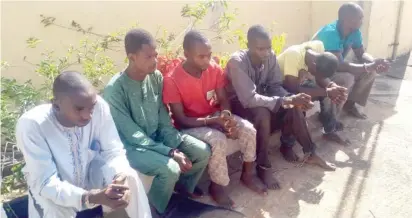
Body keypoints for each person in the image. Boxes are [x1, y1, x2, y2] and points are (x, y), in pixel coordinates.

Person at [103, 29, 211, 216]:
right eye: (148, 56)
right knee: (169, 168)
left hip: (158, 136)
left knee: (202, 152)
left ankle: (182, 190)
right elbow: (132, 135)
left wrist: (175, 144)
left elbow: (163, 117)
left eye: (156, 55)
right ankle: (155, 209)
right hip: (132, 147)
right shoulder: (115, 90)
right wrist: (170, 152)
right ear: (132, 57)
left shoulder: (155, 77)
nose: (154, 60)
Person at [15, 71, 151, 218]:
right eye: (79, 109)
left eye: (91, 107)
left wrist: (119, 178)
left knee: (129, 177)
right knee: (55, 210)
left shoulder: (99, 106)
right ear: (56, 105)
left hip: (88, 177)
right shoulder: (33, 125)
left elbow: (113, 151)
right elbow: (46, 182)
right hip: (51, 190)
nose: (88, 115)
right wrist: (89, 197)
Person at [163, 30, 266, 208]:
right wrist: (213, 123)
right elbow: (180, 119)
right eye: (201, 56)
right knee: (218, 140)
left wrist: (226, 117)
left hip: (214, 116)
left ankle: (248, 175)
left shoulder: (213, 68)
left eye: (209, 55)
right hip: (191, 124)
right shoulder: (172, 80)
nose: (206, 60)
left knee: (248, 129)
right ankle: (217, 186)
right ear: (186, 54)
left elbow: (224, 99)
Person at [225, 25, 336, 189]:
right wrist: (284, 100)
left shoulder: (270, 58)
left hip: (261, 101)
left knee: (293, 104)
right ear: (248, 46)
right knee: (263, 113)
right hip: (239, 105)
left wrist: (291, 99)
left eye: (268, 48)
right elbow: (248, 98)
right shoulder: (237, 62)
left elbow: (275, 85)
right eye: (260, 49)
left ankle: (310, 152)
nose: (266, 53)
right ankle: (263, 167)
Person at [313, 2, 390, 119]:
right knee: (346, 78)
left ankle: (349, 104)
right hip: (314, 73)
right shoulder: (330, 33)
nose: (362, 20)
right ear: (348, 19)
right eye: (360, 18)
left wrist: (375, 62)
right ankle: (328, 117)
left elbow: (361, 54)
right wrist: (368, 66)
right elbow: (338, 65)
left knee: (370, 69)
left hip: (332, 68)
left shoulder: (355, 32)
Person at [279, 40, 351, 145]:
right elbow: (293, 88)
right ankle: (287, 145)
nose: (318, 77)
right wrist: (327, 91)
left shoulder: (318, 46)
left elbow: (321, 78)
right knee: (299, 102)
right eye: (318, 74)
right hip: (281, 84)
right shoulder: (293, 55)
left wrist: (333, 87)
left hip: (299, 81)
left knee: (328, 94)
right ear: (313, 64)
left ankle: (329, 130)